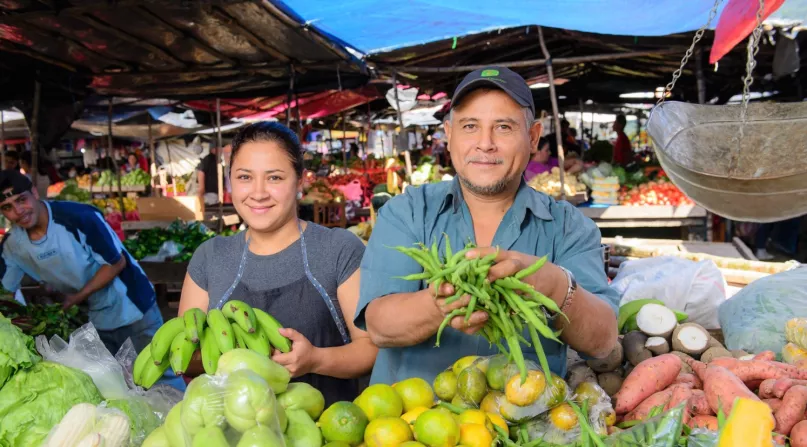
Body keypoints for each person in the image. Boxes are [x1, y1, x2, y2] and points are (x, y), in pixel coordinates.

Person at [357, 67, 619, 386]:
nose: (485, 144)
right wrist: (441, 304)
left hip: (524, 426)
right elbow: (379, 326)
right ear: (449, 133)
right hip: (413, 427)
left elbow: (602, 341)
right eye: (470, 126)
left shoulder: (568, 226)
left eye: (504, 127)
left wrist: (553, 284)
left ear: (533, 136)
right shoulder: (408, 211)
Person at [179, 122, 377, 405]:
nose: (258, 193)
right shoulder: (210, 257)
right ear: (230, 181)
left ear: (300, 181)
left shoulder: (338, 249)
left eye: (274, 178)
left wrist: (316, 360)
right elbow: (185, 355)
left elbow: (371, 349)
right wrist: (233, 355)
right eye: (245, 177)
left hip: (325, 432)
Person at [0, 170, 185, 389]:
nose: (18, 211)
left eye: (22, 200)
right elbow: (6, 293)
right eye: (8, 208)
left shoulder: (78, 217)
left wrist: (74, 299)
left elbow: (116, 263)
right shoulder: (12, 245)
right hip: (93, 316)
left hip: (131, 305)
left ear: (34, 192)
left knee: (159, 375)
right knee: (115, 383)